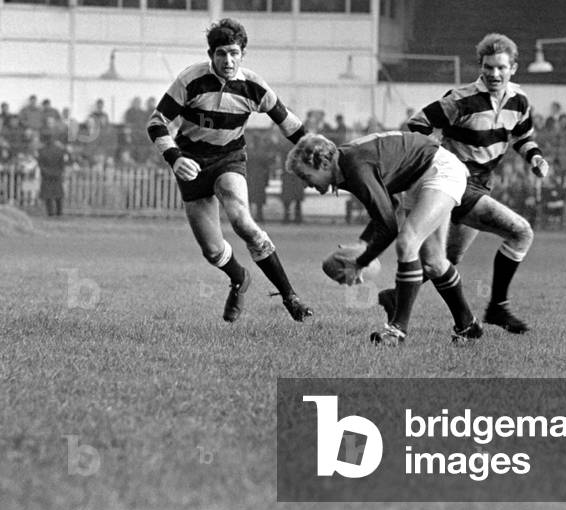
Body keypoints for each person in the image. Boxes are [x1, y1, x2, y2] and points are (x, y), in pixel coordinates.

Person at [380, 33, 550, 334]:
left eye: (500, 68)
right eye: (488, 67)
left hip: (481, 184)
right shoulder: (461, 99)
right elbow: (418, 123)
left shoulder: (520, 101)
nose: (494, 74)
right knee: (521, 232)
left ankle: (396, 297)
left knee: (446, 259)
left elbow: (523, 137)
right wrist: (434, 155)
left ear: (514, 67)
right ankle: (497, 307)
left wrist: (535, 158)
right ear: (480, 66)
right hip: (456, 183)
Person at [146, 18, 312, 323]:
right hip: (192, 163)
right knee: (212, 251)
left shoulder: (254, 87)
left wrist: (315, 149)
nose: (228, 60)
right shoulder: (190, 80)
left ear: (243, 54)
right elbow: (156, 122)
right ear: (211, 54)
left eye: (234, 53)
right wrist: (175, 157)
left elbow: (289, 123)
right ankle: (238, 278)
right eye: (221, 53)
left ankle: (291, 296)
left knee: (242, 222)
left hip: (229, 159)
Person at [287, 131, 477, 345]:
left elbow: (388, 227)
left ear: (322, 164)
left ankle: (397, 330)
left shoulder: (355, 167)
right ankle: (467, 325)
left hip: (439, 170)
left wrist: (359, 261)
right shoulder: (346, 163)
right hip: (421, 176)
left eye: (305, 176)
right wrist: (363, 244)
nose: (305, 184)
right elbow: (390, 205)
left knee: (407, 242)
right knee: (434, 262)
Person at [37, 136, 69, 216]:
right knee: (58, 195)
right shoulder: (59, 151)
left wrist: (45, 172)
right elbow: (62, 163)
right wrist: (59, 172)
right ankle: (59, 212)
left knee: (48, 196)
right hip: (57, 175)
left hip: (46, 176)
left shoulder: (42, 151)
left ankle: (50, 212)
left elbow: (40, 164)